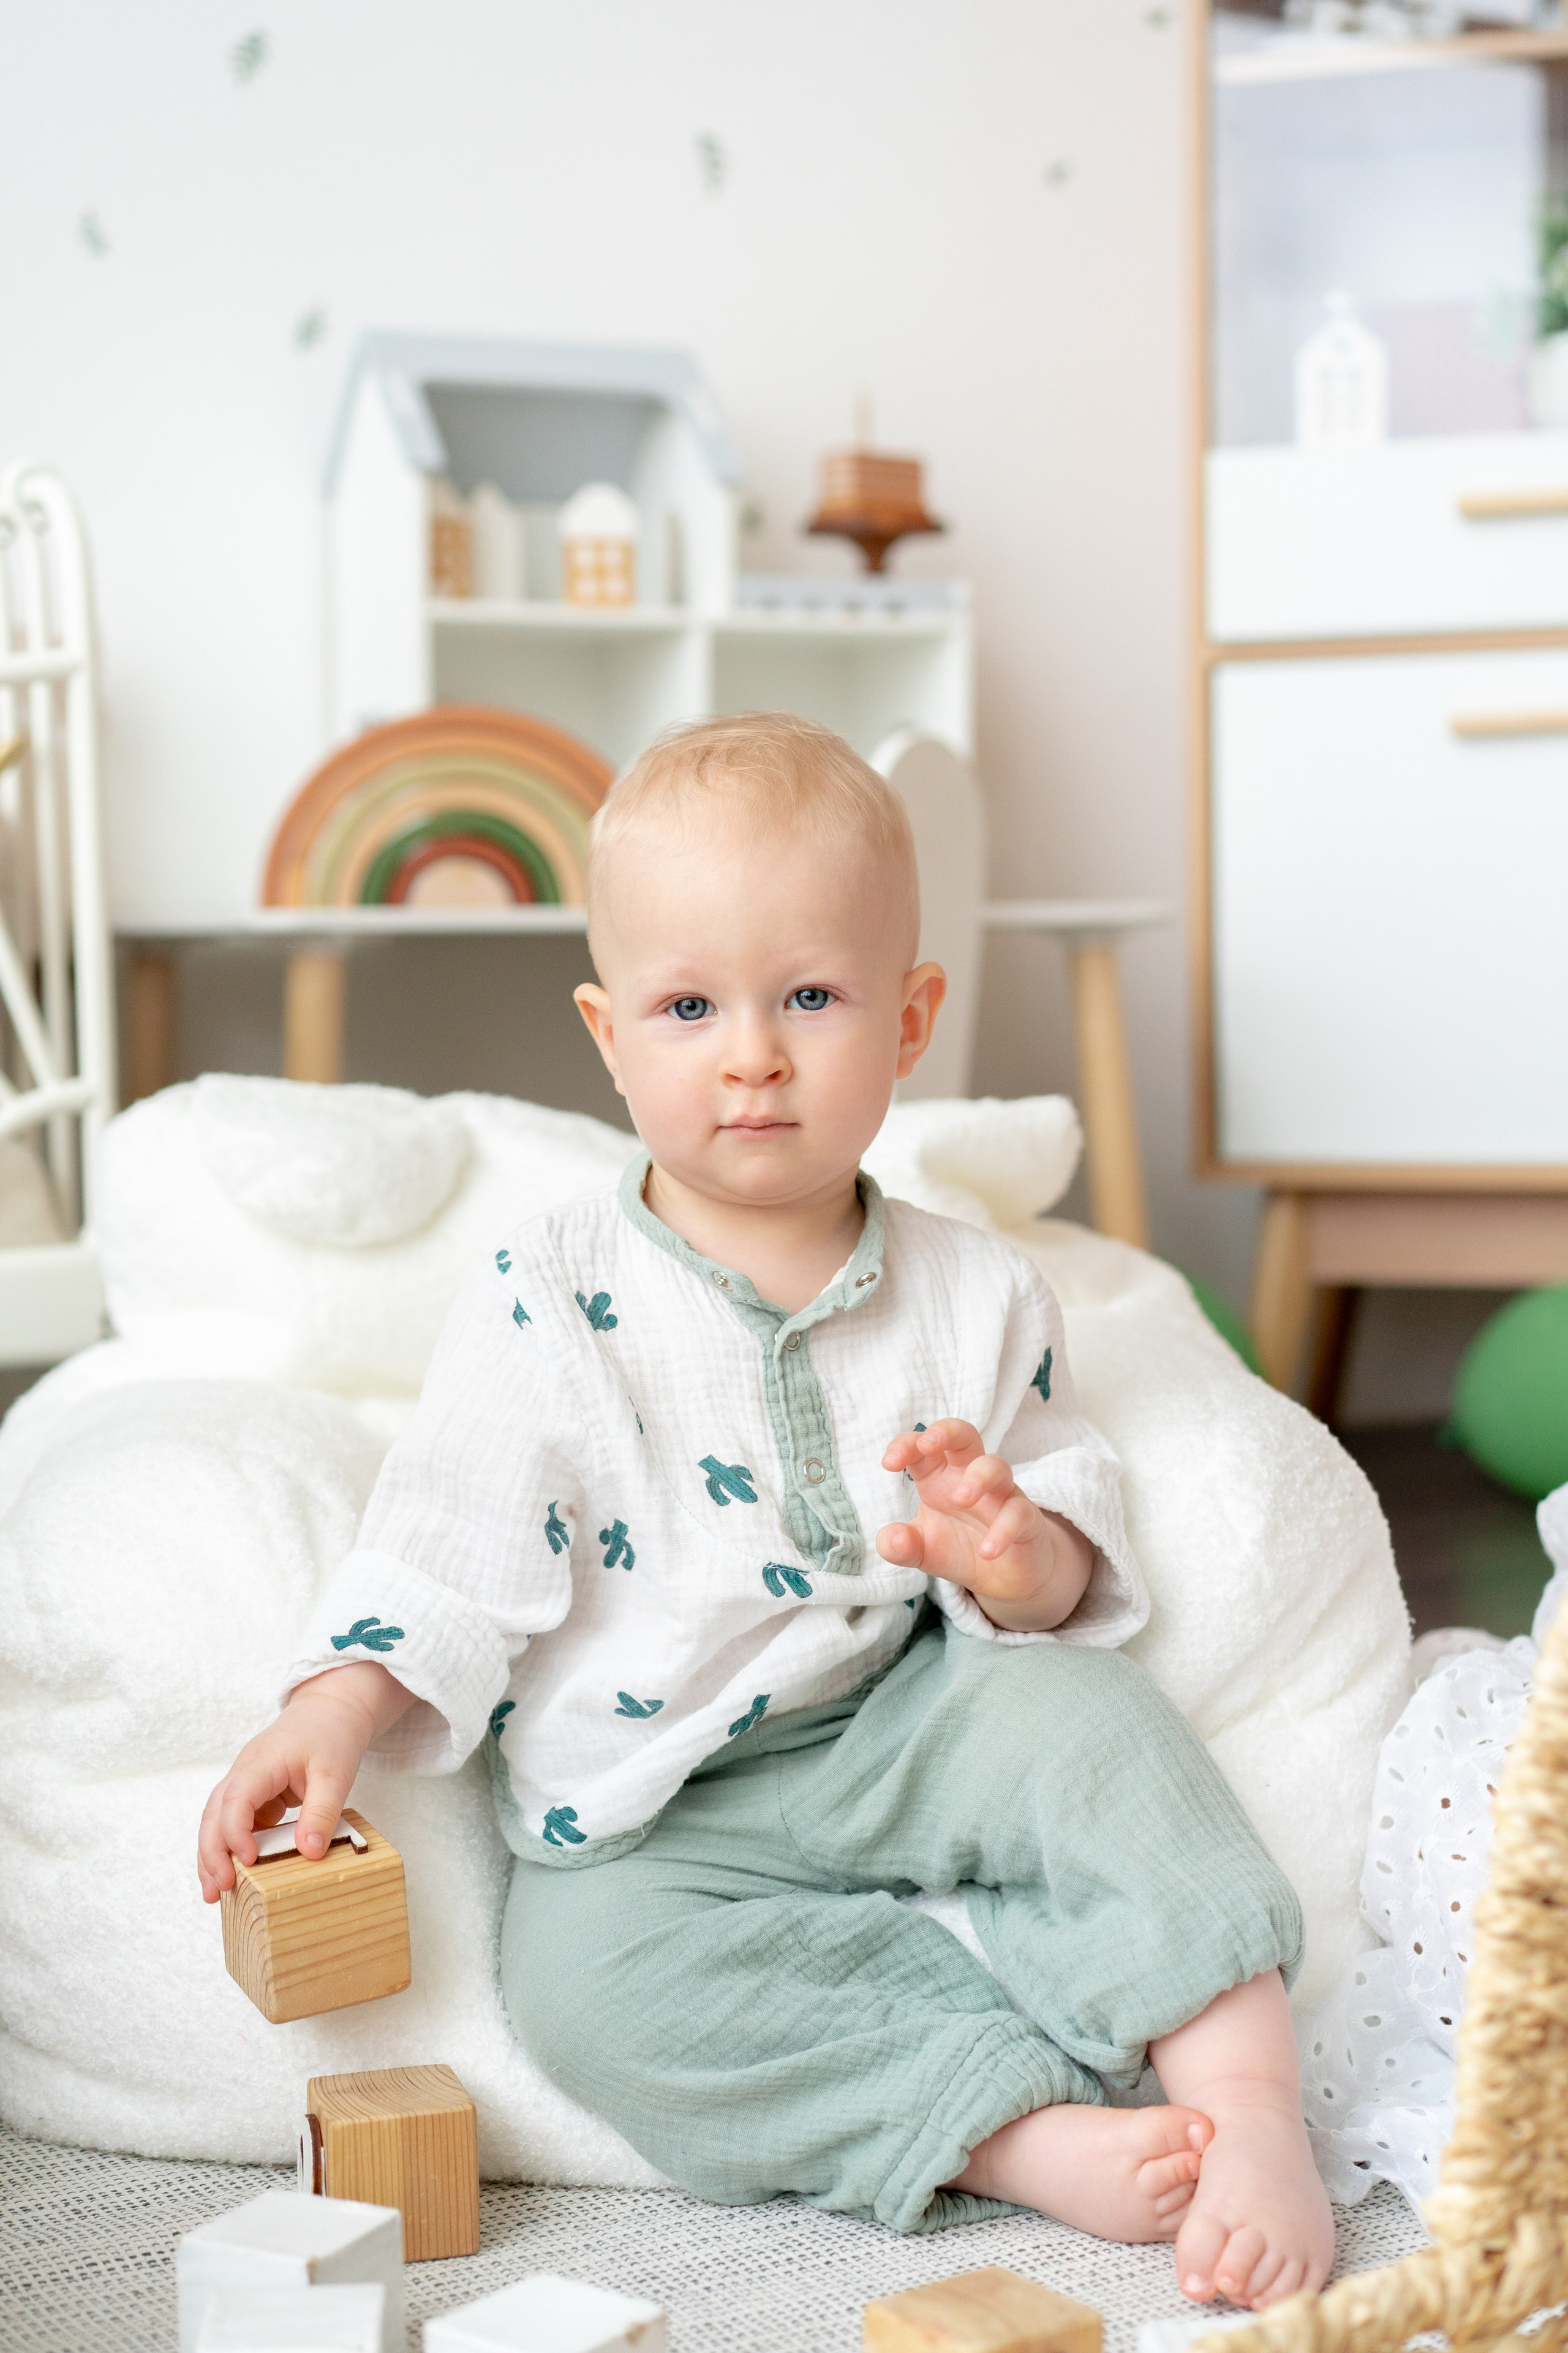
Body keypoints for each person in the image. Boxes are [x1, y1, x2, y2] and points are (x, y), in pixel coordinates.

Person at [198, 713, 1332, 2305]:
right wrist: (333, 1707)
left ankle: (1253, 2102)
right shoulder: (550, 1297)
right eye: (689, 1005)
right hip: (652, 1798)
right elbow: (443, 1538)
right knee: (588, 1994)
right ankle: (999, 2122)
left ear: (913, 1015)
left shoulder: (977, 1286)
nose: (754, 1053)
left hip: (905, 1704)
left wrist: (1018, 1554)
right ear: (607, 1032)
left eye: (811, 995)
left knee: (1097, 1731)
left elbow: (1063, 1507)